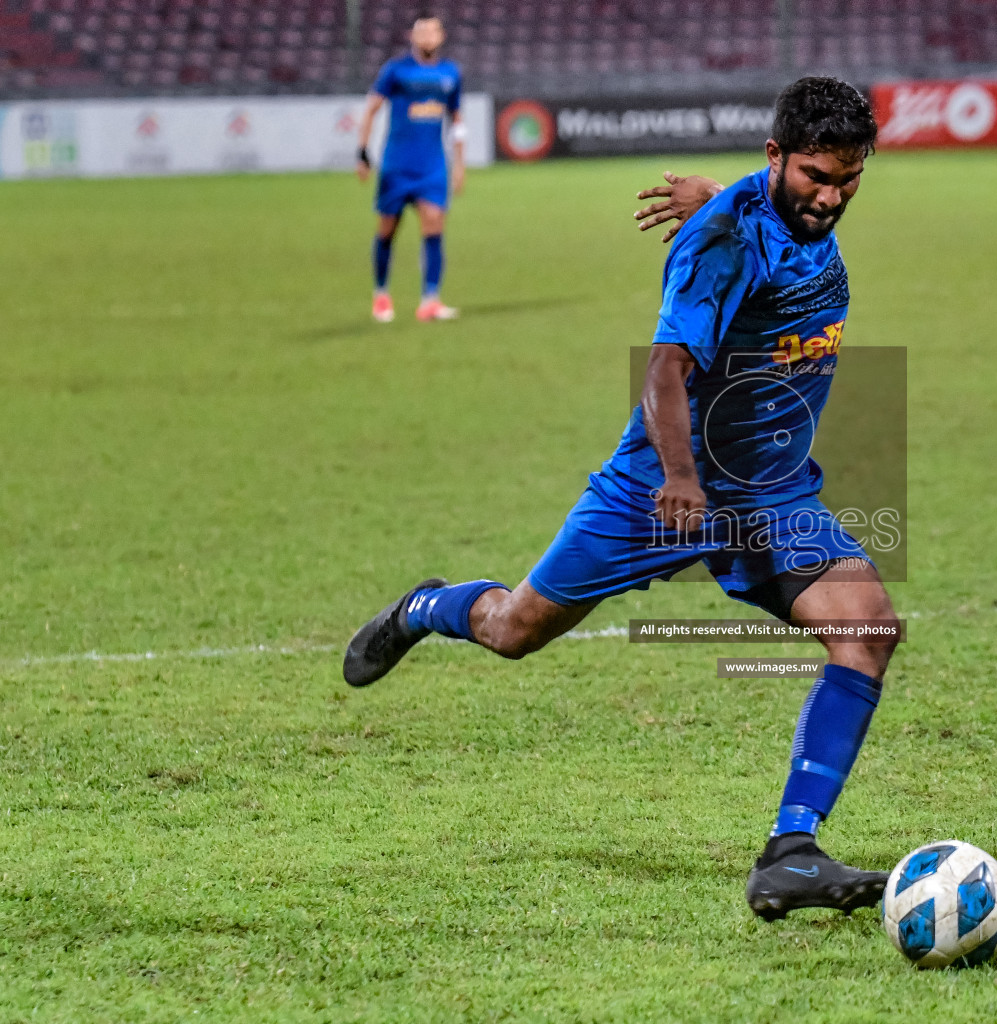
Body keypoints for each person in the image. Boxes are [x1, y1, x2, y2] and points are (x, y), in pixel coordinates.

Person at [342, 78, 899, 921]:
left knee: (868, 631)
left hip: (773, 491)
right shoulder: (718, 247)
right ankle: (426, 607)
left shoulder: (780, 207)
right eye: (816, 175)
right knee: (514, 629)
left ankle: (790, 852)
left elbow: (766, 219)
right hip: (660, 488)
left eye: (848, 178)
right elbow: (665, 371)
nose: (831, 196)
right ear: (775, 157)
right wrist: (680, 479)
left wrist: (715, 194)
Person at [356, 12, 465, 324]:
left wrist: (459, 164)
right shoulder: (396, 70)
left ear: (441, 37)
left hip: (432, 166)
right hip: (397, 165)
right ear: (413, 37)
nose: (428, 38)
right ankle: (381, 294)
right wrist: (362, 152)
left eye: (433, 32)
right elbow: (372, 109)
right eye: (422, 32)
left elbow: (457, 122)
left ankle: (430, 300)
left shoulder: (451, 73)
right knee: (388, 229)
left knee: (434, 224)